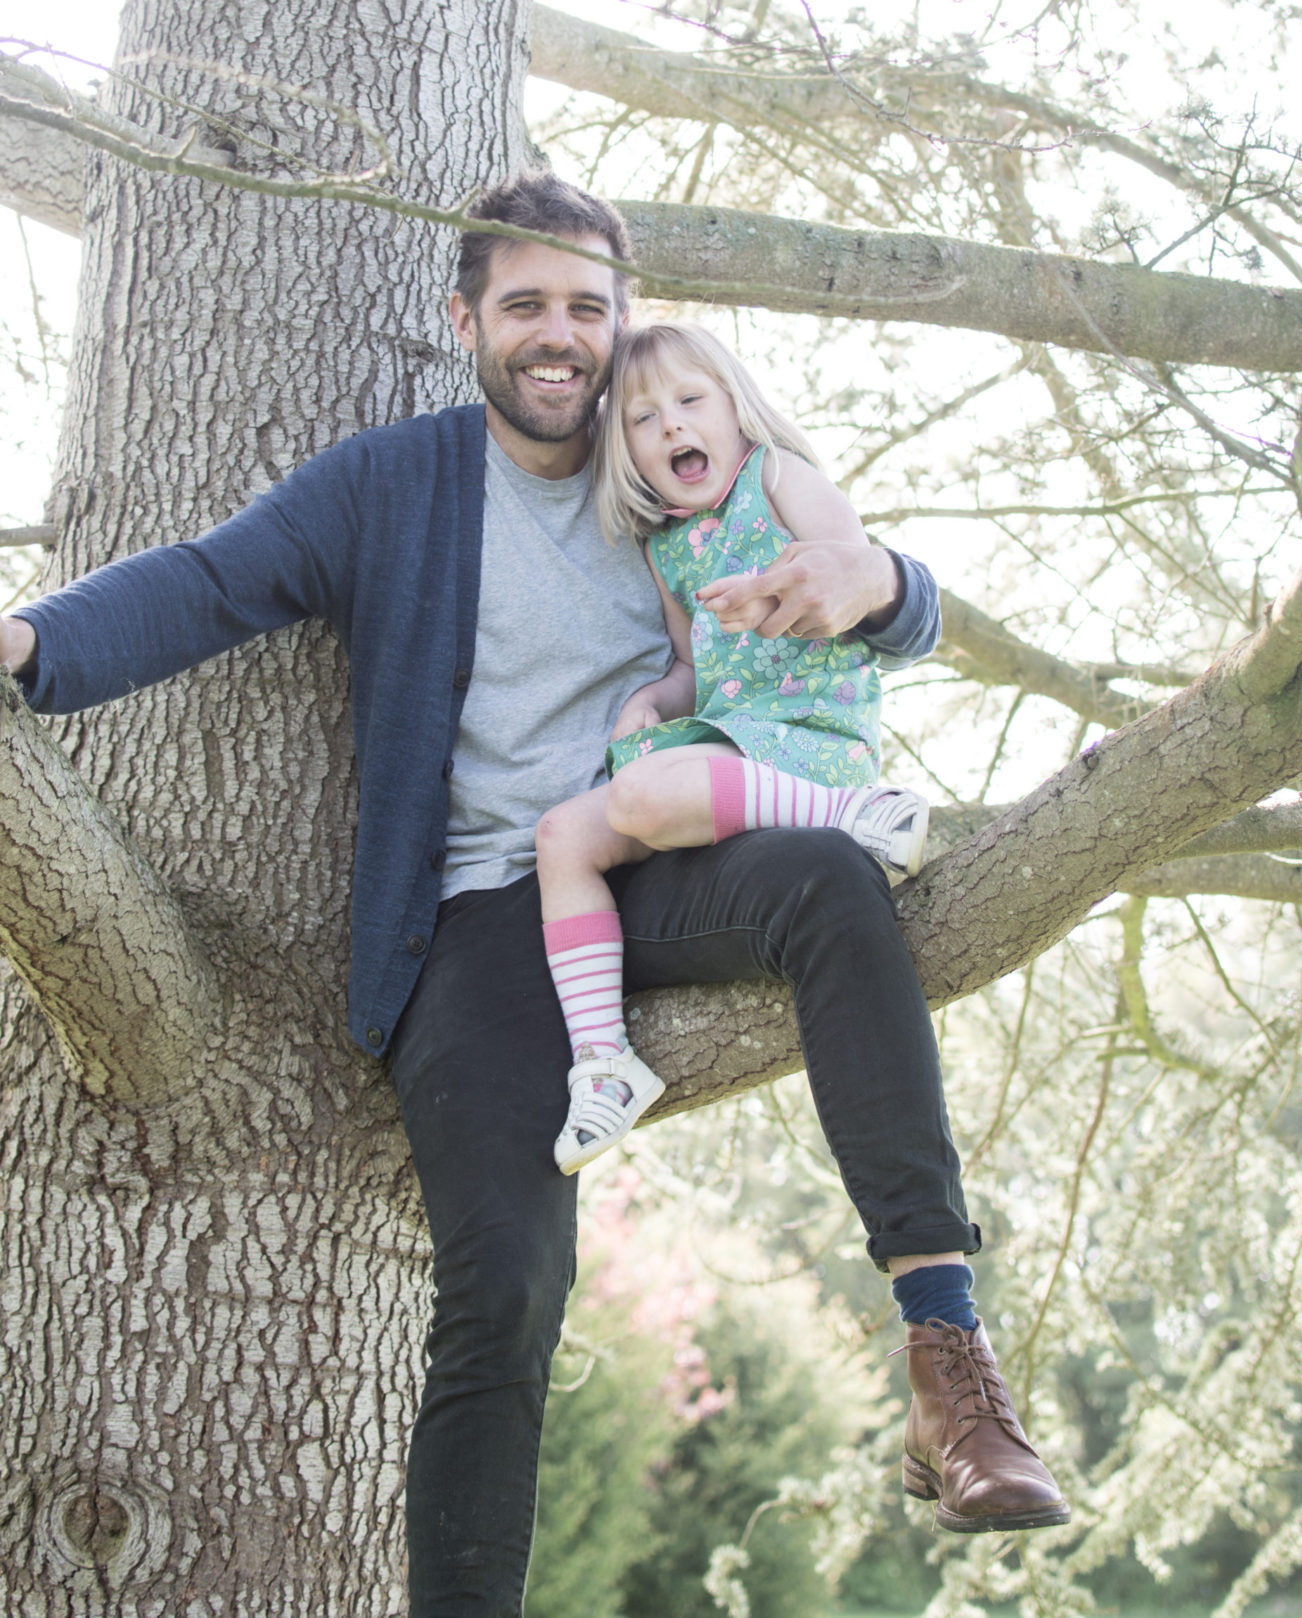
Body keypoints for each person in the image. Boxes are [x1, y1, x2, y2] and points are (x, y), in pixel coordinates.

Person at [0, 171, 1069, 1616]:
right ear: (468, 321)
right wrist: (25, 643)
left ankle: (949, 1365)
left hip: (676, 854)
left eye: (585, 307)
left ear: (624, 323)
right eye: (525, 307)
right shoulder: (395, 484)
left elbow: (867, 587)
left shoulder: (682, 468)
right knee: (503, 1286)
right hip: (490, 915)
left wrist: (884, 581)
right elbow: (209, 580)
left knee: (829, 876)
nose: (557, 335)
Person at [537, 320, 932, 1174]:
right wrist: (650, 699)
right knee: (563, 838)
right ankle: (603, 1061)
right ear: (627, 454)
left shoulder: (778, 477)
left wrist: (769, 590)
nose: (672, 425)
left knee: (641, 798)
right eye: (643, 419)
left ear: (735, 408)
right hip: (730, 738)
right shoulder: (667, 545)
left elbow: (847, 565)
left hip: (810, 732)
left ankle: (859, 815)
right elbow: (690, 665)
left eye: (689, 400)